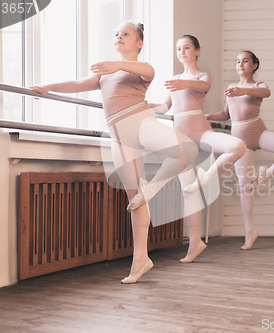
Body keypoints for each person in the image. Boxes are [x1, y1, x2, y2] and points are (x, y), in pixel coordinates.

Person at [31, 22, 198, 283]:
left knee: (188, 149)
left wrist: (117, 65)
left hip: (140, 122)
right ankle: (140, 260)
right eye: (116, 34)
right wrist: (48, 87)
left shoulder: (138, 70)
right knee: (134, 201)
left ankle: (152, 188)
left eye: (126, 34)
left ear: (139, 43)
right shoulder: (105, 74)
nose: (119, 36)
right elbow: (76, 83)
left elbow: (148, 70)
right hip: (119, 138)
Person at [151, 35, 246, 261]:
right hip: (182, 139)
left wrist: (186, 83)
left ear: (197, 51)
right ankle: (195, 243)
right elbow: (165, 107)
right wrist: (143, 104)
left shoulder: (202, 76)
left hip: (201, 131)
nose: (182, 51)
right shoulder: (175, 79)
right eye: (178, 49)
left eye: (186, 48)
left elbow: (203, 86)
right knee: (188, 191)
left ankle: (206, 178)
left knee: (238, 146)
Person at [207, 51, 274, 250]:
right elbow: (226, 114)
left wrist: (242, 91)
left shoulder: (258, 86)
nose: (241, 64)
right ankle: (249, 232)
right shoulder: (231, 88)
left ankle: (266, 176)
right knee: (245, 187)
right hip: (239, 140)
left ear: (254, 65)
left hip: (257, 132)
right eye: (238, 61)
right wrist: (206, 116)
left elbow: (265, 93)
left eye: (245, 61)